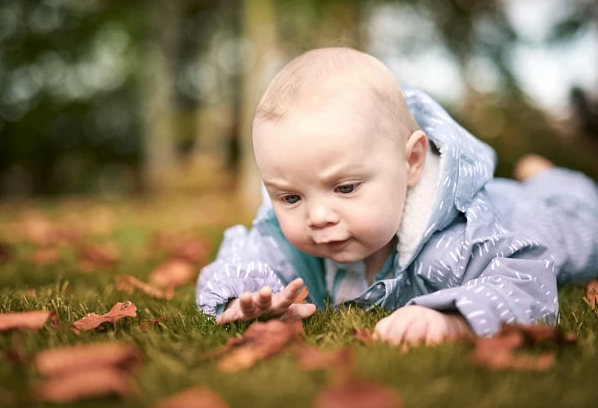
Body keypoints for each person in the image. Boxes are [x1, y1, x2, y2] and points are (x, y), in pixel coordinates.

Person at [196, 47, 598, 346]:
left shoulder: (457, 241)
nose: (317, 217)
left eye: (346, 188)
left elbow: (526, 277)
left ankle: (548, 178)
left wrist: (454, 319)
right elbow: (246, 255)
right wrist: (243, 298)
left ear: (412, 162)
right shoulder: (289, 236)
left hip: (524, 211)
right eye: (290, 198)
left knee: (580, 224)